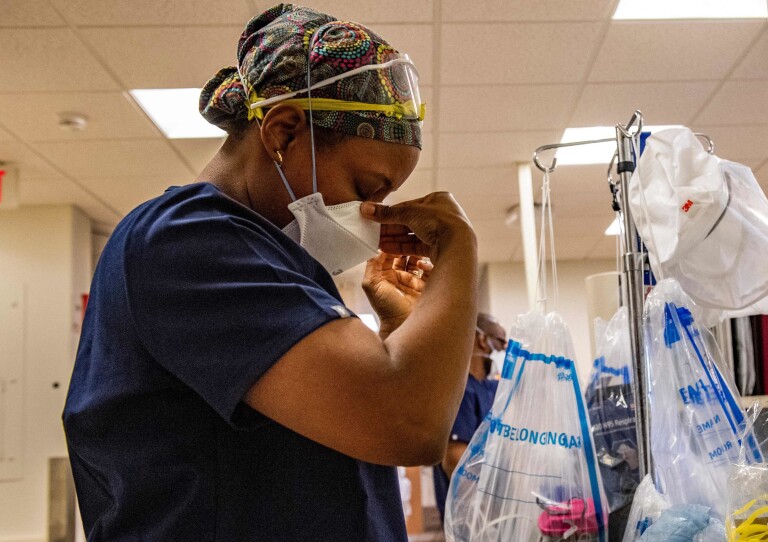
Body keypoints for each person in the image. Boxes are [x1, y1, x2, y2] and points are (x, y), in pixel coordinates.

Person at [62, 4, 477, 541]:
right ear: (281, 133)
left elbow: (350, 434)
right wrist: (458, 246)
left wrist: (397, 336)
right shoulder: (185, 240)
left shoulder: (267, 259)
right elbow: (410, 424)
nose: (375, 213)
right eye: (365, 186)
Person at [432, 313, 508, 523]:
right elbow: (455, 460)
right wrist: (485, 511)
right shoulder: (461, 390)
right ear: (482, 340)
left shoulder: (492, 389)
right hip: (472, 517)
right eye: (501, 342)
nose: (505, 350)